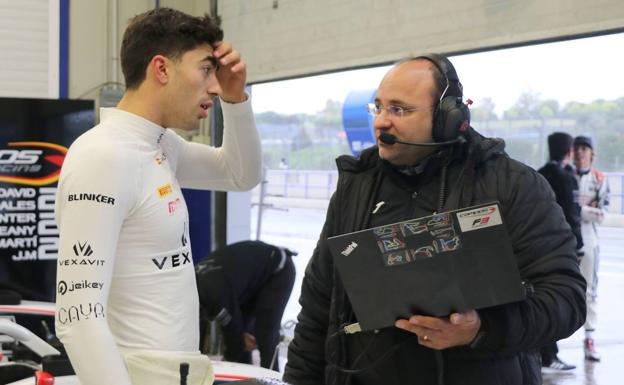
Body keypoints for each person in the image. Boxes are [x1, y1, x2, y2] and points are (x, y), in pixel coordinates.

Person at [283, 54, 586, 385]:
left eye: (399, 109)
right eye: (379, 107)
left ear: (447, 117)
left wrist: (481, 329)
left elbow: (565, 297)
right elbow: (317, 308)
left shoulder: (512, 185)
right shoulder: (355, 188)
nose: (381, 122)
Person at [54, 8, 261, 385]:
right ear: (162, 69)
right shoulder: (104, 156)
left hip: (177, 372)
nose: (214, 87)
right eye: (205, 70)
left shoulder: (159, 145)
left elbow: (241, 174)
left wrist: (236, 99)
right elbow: (78, 315)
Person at [195, 240, 296, 370]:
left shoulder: (214, 295)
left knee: (265, 335)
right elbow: (198, 336)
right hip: (247, 277)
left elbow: (234, 339)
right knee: (243, 334)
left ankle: (273, 379)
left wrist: (225, 367)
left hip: (278, 270)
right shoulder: (193, 288)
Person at [537, 132, 583, 372]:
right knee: (558, 300)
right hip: (561, 247)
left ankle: (544, 353)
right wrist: (579, 245)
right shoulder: (567, 177)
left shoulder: (539, 174)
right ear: (568, 152)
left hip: (539, 247)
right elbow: (572, 214)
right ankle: (549, 356)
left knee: (540, 296)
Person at [573, 135, 609, 362]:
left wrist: (578, 209)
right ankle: (550, 345)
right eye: (577, 148)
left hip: (589, 241)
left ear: (592, 153)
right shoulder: (564, 174)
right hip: (566, 239)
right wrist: (586, 208)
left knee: (590, 291)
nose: (580, 152)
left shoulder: (600, 178)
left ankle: (589, 340)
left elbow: (602, 214)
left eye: (584, 148)